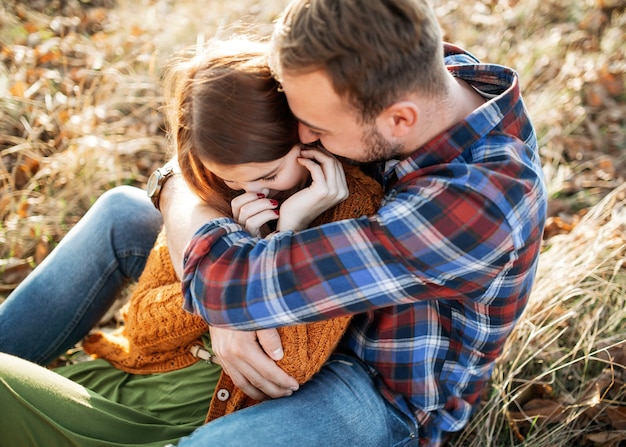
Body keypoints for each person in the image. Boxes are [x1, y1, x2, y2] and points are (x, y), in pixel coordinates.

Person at [167, 0, 548, 446]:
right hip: (331, 300)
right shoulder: (413, 75)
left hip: (380, 388)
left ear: (399, 120)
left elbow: (224, 284)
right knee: (120, 210)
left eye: (318, 128)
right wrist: (171, 181)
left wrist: (177, 198)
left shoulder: (478, 208)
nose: (303, 137)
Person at [0, 39, 383, 446]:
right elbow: (142, 325)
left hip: (193, 420)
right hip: (125, 384)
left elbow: (289, 365)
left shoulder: (350, 208)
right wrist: (226, 277)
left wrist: (282, 240)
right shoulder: (214, 192)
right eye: (233, 179)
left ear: (306, 137)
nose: (251, 192)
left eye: (269, 175)